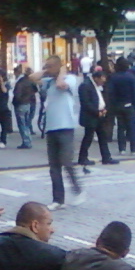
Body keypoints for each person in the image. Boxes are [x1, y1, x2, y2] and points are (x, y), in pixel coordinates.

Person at [42, 56, 84, 211]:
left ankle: (77, 189)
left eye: (50, 66)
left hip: (65, 126)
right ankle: (58, 199)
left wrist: (61, 71)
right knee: (54, 166)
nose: (47, 69)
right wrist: (46, 70)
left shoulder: (70, 79)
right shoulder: (48, 82)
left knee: (67, 162)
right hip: (50, 127)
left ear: (59, 67)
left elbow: (61, 85)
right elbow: (32, 78)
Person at [77, 70, 118, 166]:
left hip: (99, 115)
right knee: (88, 138)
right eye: (102, 80)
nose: (103, 83)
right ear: (96, 78)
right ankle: (82, 158)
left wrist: (104, 109)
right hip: (91, 116)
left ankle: (106, 157)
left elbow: (100, 98)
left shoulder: (95, 85)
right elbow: (86, 103)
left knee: (103, 137)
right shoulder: (85, 85)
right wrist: (97, 112)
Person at [106, 56, 135, 156]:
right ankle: (134, 148)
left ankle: (122, 149)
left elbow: (110, 93)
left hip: (117, 105)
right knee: (132, 127)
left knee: (120, 128)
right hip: (129, 105)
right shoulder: (131, 77)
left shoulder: (113, 77)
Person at [12, 67, 37, 149]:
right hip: (28, 103)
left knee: (22, 124)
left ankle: (26, 142)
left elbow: (17, 94)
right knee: (26, 123)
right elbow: (36, 90)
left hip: (21, 104)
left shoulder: (21, 82)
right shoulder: (31, 82)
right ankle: (28, 140)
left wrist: (16, 101)